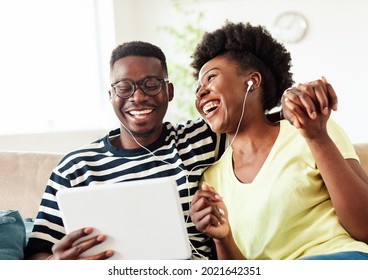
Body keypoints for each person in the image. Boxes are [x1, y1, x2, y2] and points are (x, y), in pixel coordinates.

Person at [24, 41, 225, 260]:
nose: (137, 97)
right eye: (123, 87)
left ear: (169, 91)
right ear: (110, 95)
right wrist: (58, 265)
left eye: (151, 84)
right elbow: (37, 256)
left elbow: (258, 122)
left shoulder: (202, 137)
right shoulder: (75, 168)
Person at [189, 21, 368, 260]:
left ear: (252, 81)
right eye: (198, 88)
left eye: (211, 78)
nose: (201, 92)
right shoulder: (211, 180)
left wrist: (317, 138)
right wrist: (223, 238)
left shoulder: (308, 128)